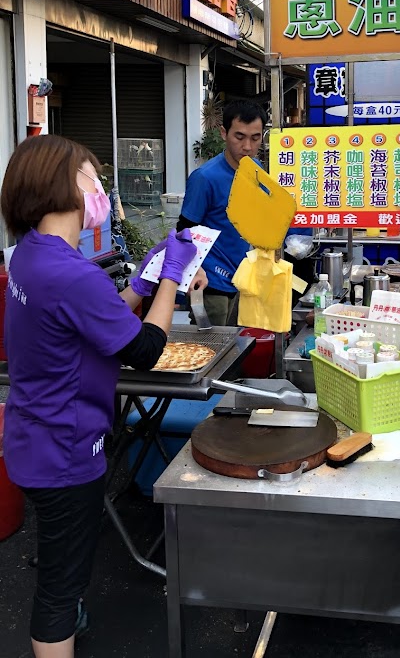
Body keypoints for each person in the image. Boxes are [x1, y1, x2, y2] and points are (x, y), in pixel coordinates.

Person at [0, 135, 200, 658]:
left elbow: (99, 314)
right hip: (65, 449)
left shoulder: (31, 256)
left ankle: (69, 616)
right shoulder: (68, 273)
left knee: (60, 560)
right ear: (65, 185)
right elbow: (146, 348)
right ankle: (60, 631)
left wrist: (142, 279)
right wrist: (172, 279)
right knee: (58, 592)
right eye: (94, 178)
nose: (102, 190)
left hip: (33, 437)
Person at [178, 99, 267, 325]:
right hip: (211, 281)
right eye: (239, 137)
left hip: (244, 278)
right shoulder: (205, 177)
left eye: (255, 138)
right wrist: (194, 272)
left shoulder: (258, 170)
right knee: (211, 350)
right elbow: (184, 231)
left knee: (239, 348)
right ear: (223, 132)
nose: (247, 146)